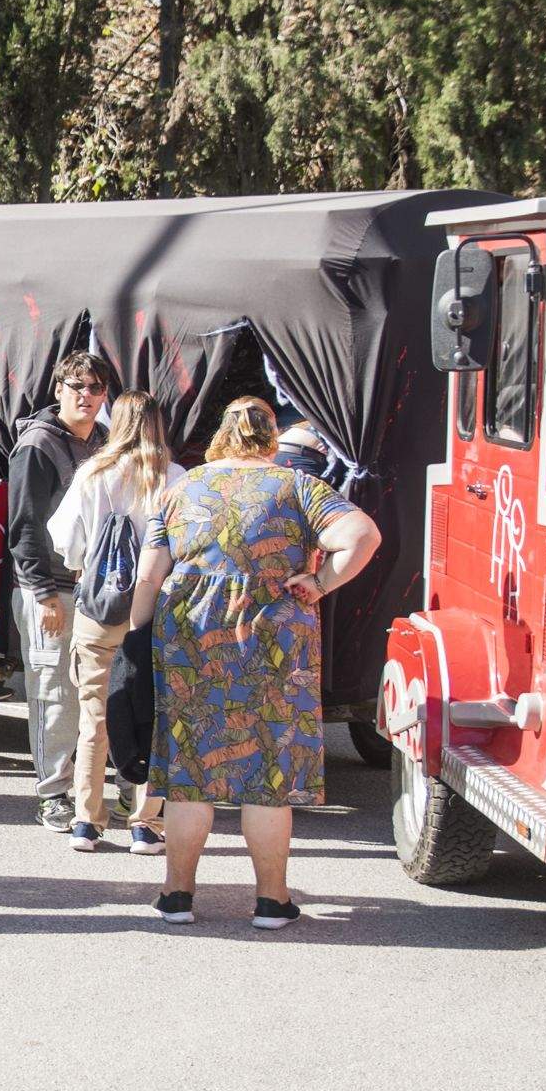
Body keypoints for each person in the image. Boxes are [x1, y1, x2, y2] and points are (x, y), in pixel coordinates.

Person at [127, 396, 382, 929]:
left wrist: (135, 641)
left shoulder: (182, 489)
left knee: (188, 775)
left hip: (189, 645)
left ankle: (176, 896)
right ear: (272, 439)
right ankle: (271, 901)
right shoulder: (298, 487)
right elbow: (362, 535)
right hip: (273, 645)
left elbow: (150, 576)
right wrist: (320, 582)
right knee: (268, 775)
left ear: (222, 434)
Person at [51, 393, 175, 856]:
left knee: (94, 720)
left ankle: (87, 820)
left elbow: (64, 538)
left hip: (98, 614)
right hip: (156, 614)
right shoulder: (175, 479)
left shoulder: (94, 473)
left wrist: (86, 566)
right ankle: (145, 823)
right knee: (155, 718)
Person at [6, 352, 111, 832]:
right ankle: (52, 794)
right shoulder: (37, 445)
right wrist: (43, 592)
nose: (84, 396)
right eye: (76, 386)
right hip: (50, 589)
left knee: (91, 691)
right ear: (58, 389)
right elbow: (23, 526)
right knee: (53, 693)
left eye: (93, 388)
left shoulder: (107, 443)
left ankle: (87, 784)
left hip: (95, 588)